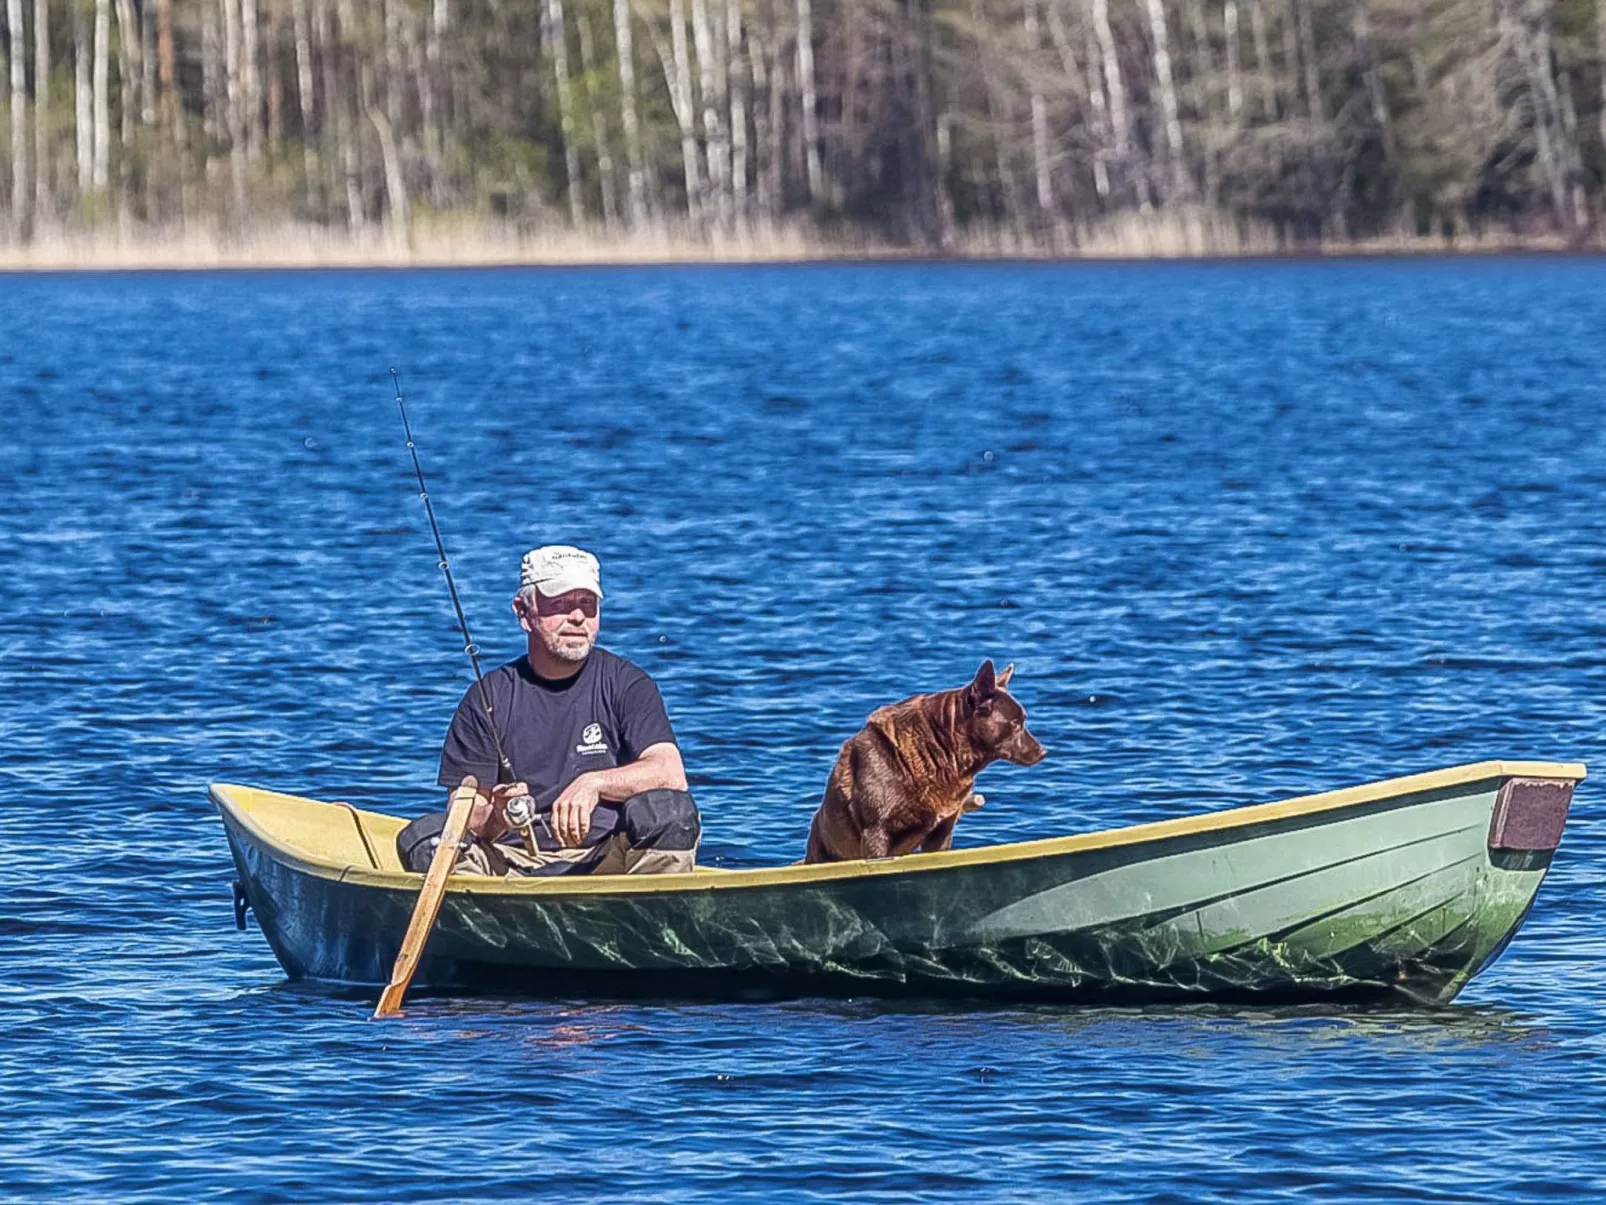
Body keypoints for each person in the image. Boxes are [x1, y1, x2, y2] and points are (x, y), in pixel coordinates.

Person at [397, 544, 700, 876]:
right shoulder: (487, 697)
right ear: (523, 612)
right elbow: (465, 815)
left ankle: (649, 919)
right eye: (561, 604)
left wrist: (593, 783)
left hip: (610, 861)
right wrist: (499, 816)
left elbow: (669, 772)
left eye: (588, 605)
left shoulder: (628, 683)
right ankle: (481, 920)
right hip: (509, 865)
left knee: (670, 810)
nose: (577, 617)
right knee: (424, 837)